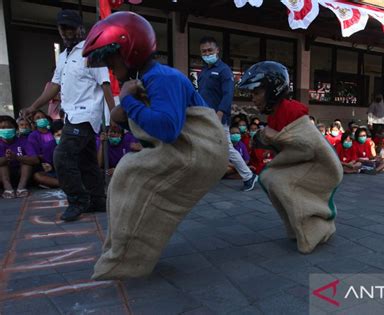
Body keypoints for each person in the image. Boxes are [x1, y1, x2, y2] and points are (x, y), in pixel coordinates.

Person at [82, 11, 228, 279]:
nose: (111, 70)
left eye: (112, 62)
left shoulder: (162, 78)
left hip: (201, 152)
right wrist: (125, 112)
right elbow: (151, 127)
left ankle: (125, 258)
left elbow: (167, 129)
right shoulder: (146, 79)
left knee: (131, 176)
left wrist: (127, 101)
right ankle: (126, 254)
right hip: (190, 151)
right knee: (129, 179)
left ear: (129, 51)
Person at [239, 61, 343, 254]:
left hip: (322, 166)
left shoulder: (290, 111)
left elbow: (306, 149)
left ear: (273, 91)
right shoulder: (277, 113)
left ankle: (316, 229)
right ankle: (300, 227)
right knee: (268, 178)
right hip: (308, 162)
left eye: (256, 93)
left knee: (279, 182)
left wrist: (272, 146)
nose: (253, 99)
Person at [23, 10, 115, 221]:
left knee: (62, 156)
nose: (66, 32)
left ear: (80, 29)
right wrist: (33, 106)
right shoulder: (63, 57)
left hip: (86, 116)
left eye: (71, 27)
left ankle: (78, 200)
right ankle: (97, 200)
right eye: (63, 28)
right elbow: (54, 86)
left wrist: (113, 117)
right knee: (87, 162)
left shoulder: (91, 53)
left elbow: (106, 85)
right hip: (70, 116)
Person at [197, 36, 257, 191]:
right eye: (204, 51)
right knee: (205, 147)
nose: (207, 53)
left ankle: (248, 176)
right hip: (205, 117)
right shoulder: (203, 72)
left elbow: (228, 94)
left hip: (218, 117)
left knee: (227, 148)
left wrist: (220, 113)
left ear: (217, 50)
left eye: (210, 50)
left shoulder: (224, 70)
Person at [0, 115, 36, 198]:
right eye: (3, 127)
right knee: (2, 164)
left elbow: (35, 160)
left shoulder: (23, 141)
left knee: (26, 161)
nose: (6, 130)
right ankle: (8, 189)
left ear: (15, 129)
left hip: (22, 175)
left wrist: (17, 157)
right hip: (3, 176)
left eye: (9, 127)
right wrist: (7, 158)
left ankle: (21, 188)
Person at [33, 120, 64, 189]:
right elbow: (48, 166)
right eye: (58, 135)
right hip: (57, 173)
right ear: (53, 136)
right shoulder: (48, 146)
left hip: (74, 173)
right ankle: (65, 185)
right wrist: (48, 167)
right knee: (37, 176)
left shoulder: (74, 144)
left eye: (63, 135)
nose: (62, 138)